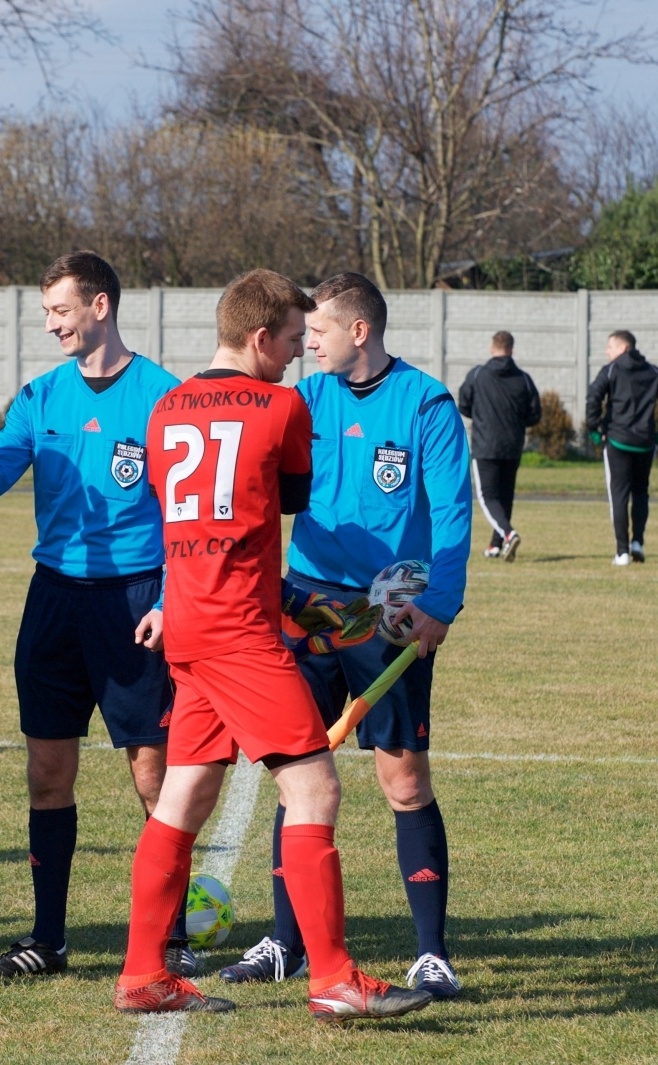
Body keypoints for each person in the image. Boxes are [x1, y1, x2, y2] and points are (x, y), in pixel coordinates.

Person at [114, 268, 432, 1022]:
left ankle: (141, 973)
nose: (298, 352)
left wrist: (331, 611)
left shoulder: (164, 409)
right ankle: (333, 977)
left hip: (188, 625)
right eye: (292, 338)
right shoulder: (281, 405)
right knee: (315, 789)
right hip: (239, 636)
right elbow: (290, 500)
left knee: (184, 795)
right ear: (261, 337)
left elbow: (200, 522)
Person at [0, 251, 192, 980]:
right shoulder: (41, 395)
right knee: (47, 774)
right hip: (53, 600)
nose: (51, 324)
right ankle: (46, 940)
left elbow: (185, 509)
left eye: (60, 310)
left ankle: (169, 936)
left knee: (153, 775)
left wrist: (175, 593)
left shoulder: (165, 397)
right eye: (47, 312)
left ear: (100, 306)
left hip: (135, 601)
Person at [219, 272, 472, 1001]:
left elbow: (453, 513)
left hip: (388, 615)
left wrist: (441, 603)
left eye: (319, 331)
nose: (307, 344)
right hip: (306, 605)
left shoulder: (424, 402)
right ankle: (285, 941)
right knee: (297, 775)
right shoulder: (302, 401)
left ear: (358, 331)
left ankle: (432, 953)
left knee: (403, 779)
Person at [586, 331, 658, 566]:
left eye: (610, 347)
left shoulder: (611, 370)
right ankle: (638, 542)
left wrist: (595, 430)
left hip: (617, 442)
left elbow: (593, 397)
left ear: (623, 348)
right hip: (645, 444)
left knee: (618, 495)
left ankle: (622, 552)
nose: (607, 352)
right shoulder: (653, 371)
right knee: (640, 494)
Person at [458, 330, 540, 561]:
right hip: (513, 446)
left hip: (485, 446)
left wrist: (481, 417)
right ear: (511, 350)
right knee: (505, 497)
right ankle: (495, 546)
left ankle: (507, 533)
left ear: (492, 349)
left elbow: (464, 404)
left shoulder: (477, 375)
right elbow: (535, 414)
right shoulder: (523, 378)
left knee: (487, 496)